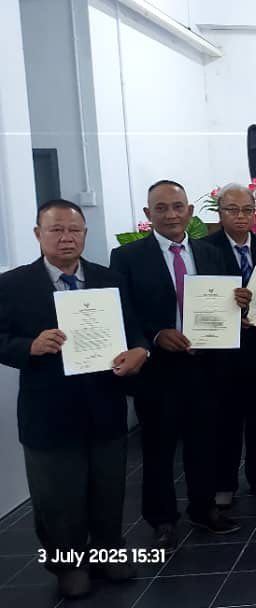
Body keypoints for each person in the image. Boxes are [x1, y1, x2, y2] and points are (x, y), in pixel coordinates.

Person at [0, 200, 149, 598]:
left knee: (108, 488)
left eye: (75, 230)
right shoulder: (13, 284)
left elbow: (134, 330)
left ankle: (107, 553)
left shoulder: (108, 279)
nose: (66, 238)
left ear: (85, 233)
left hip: (104, 403)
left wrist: (141, 351)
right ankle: (67, 565)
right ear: (38, 234)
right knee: (57, 495)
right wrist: (28, 346)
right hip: (48, 410)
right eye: (56, 230)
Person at [110, 180, 247, 550]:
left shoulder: (210, 252)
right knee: (158, 448)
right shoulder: (127, 258)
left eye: (177, 206)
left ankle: (204, 509)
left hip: (205, 365)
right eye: (161, 208)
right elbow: (123, 312)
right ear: (148, 214)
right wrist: (155, 336)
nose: (171, 214)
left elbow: (226, 304)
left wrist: (239, 301)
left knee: (205, 442)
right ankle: (162, 520)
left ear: (190, 211)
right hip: (157, 369)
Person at [205, 183, 256, 506]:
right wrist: (228, 316)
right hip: (221, 350)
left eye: (247, 210)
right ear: (220, 212)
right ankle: (223, 482)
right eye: (232, 210)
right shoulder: (205, 250)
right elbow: (200, 299)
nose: (240, 216)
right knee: (224, 417)